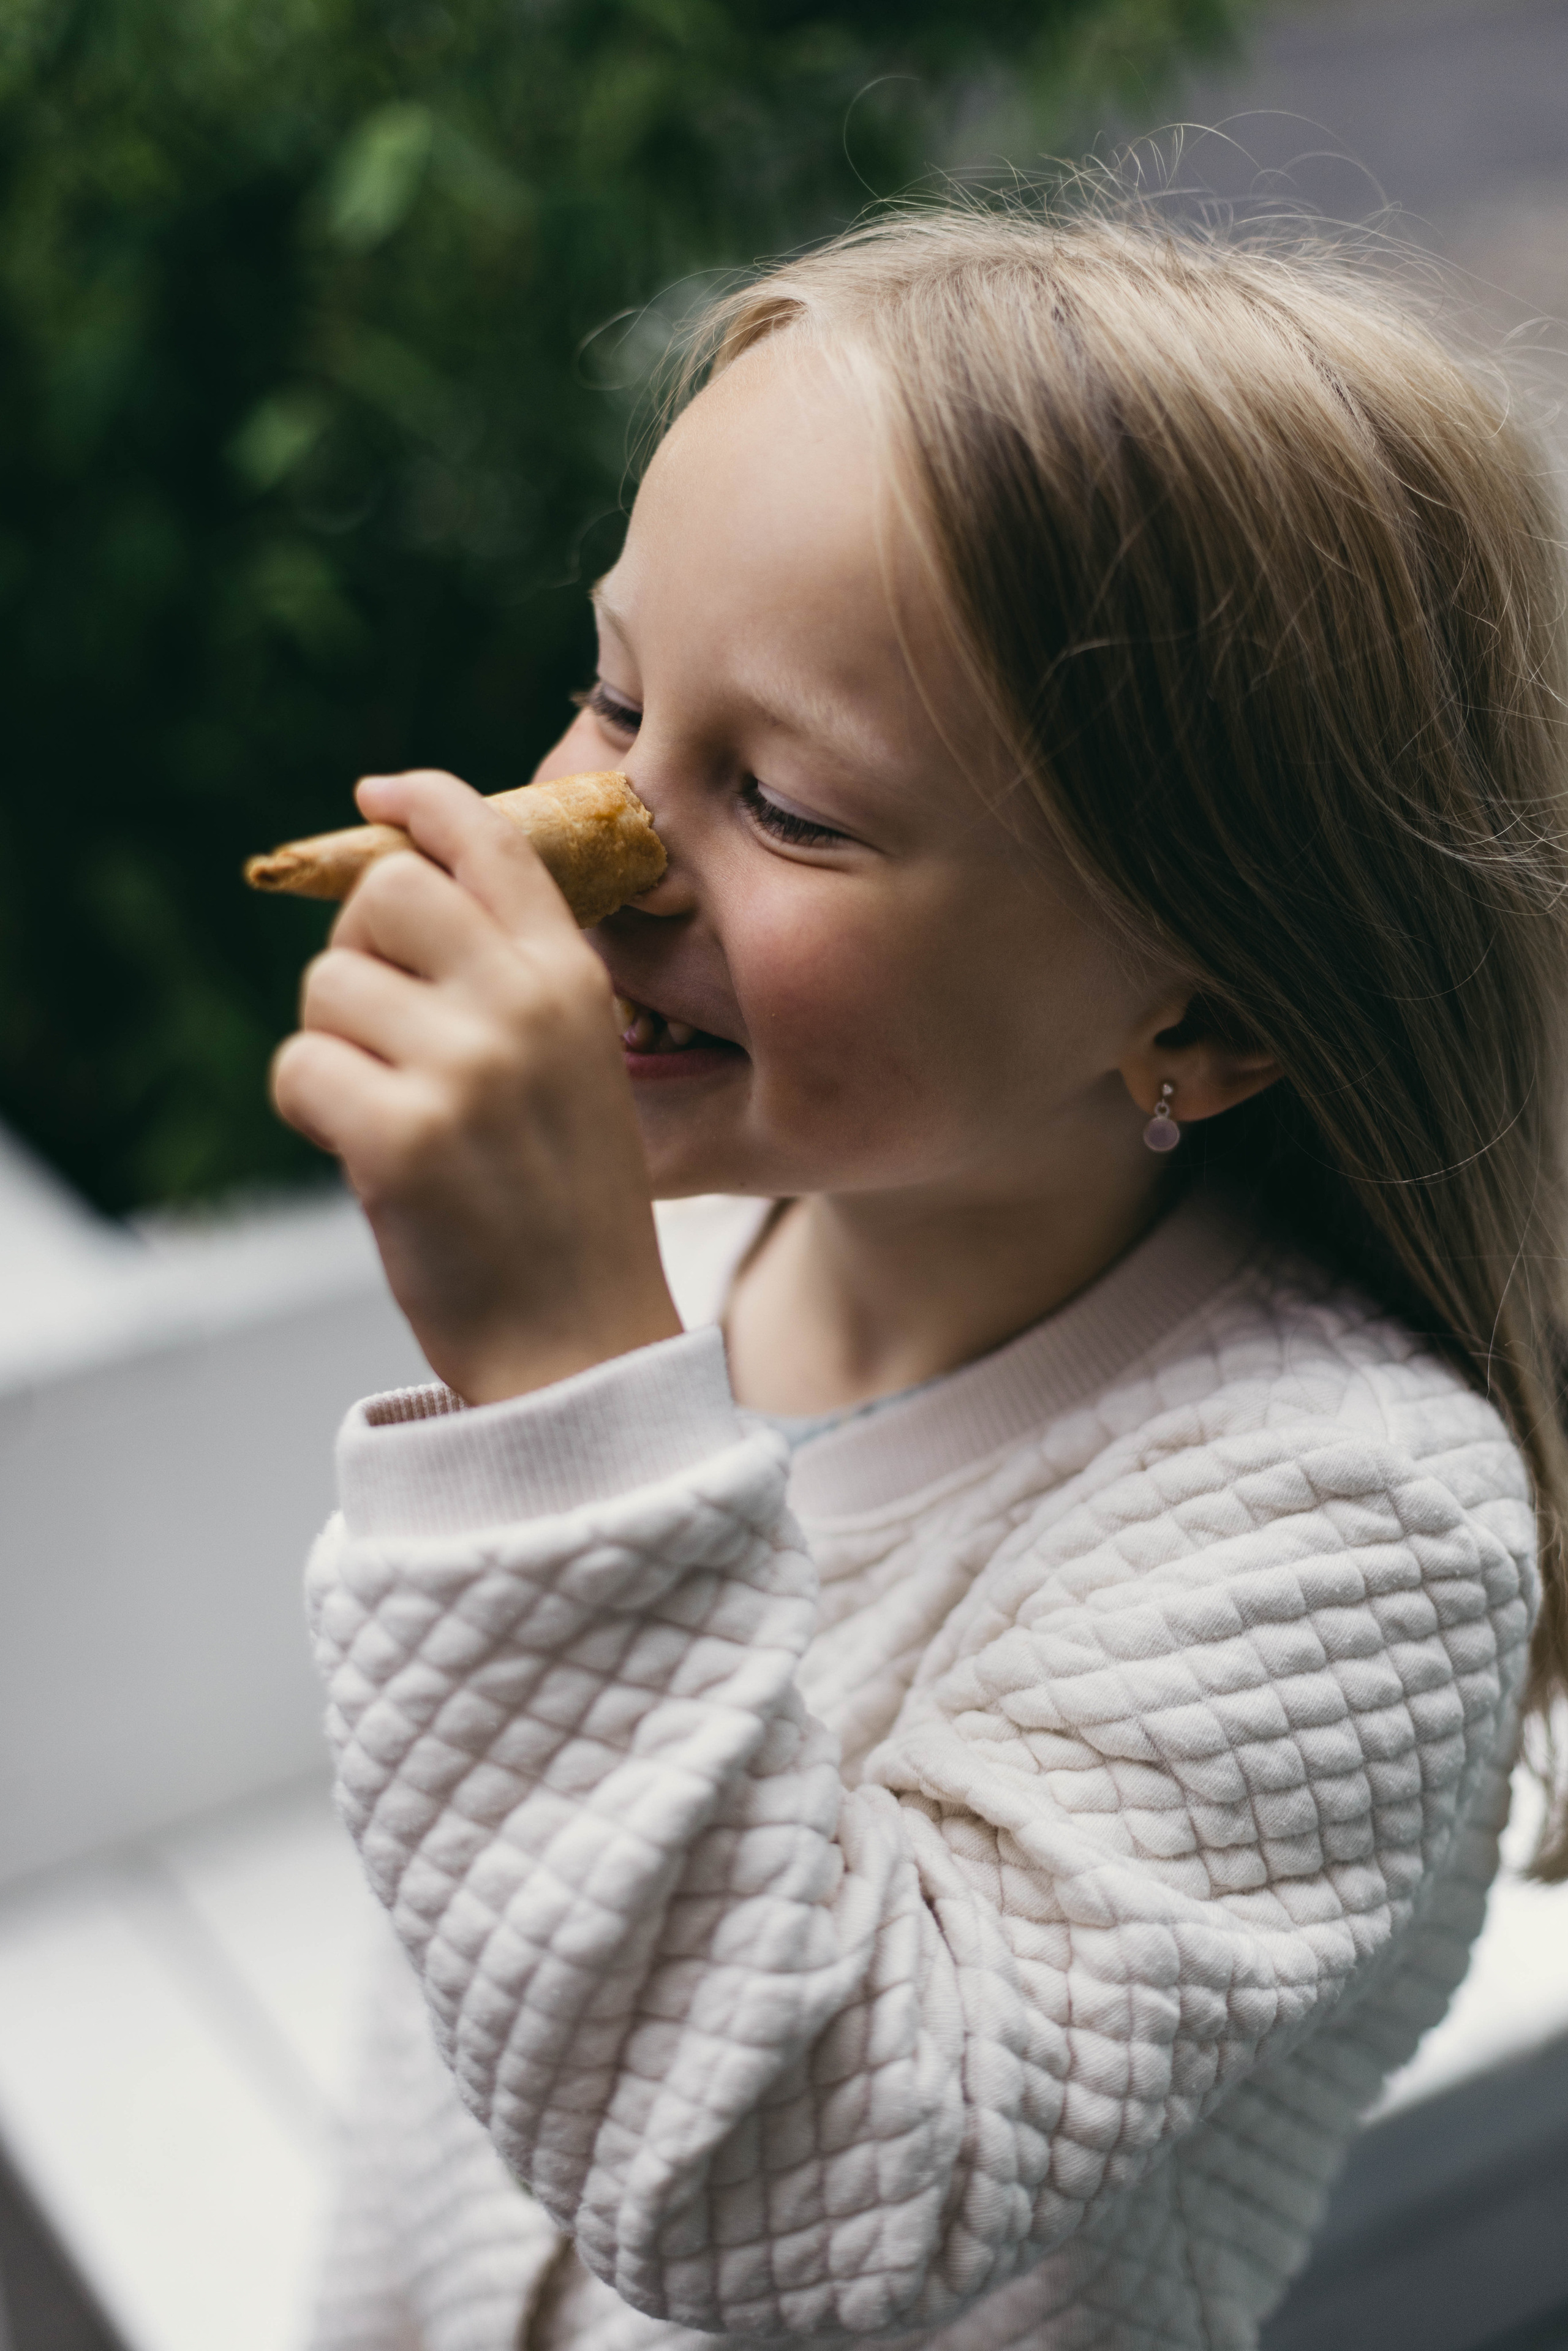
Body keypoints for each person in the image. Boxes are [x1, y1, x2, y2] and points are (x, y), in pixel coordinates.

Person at [274, 204, 1568, 2351]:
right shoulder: (692, 1235)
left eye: (782, 802)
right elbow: (486, 1952)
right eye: (613, 695)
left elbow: (795, 2193)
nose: (579, 835)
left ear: (1211, 1016)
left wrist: (552, 1387)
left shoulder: (1361, 1526)